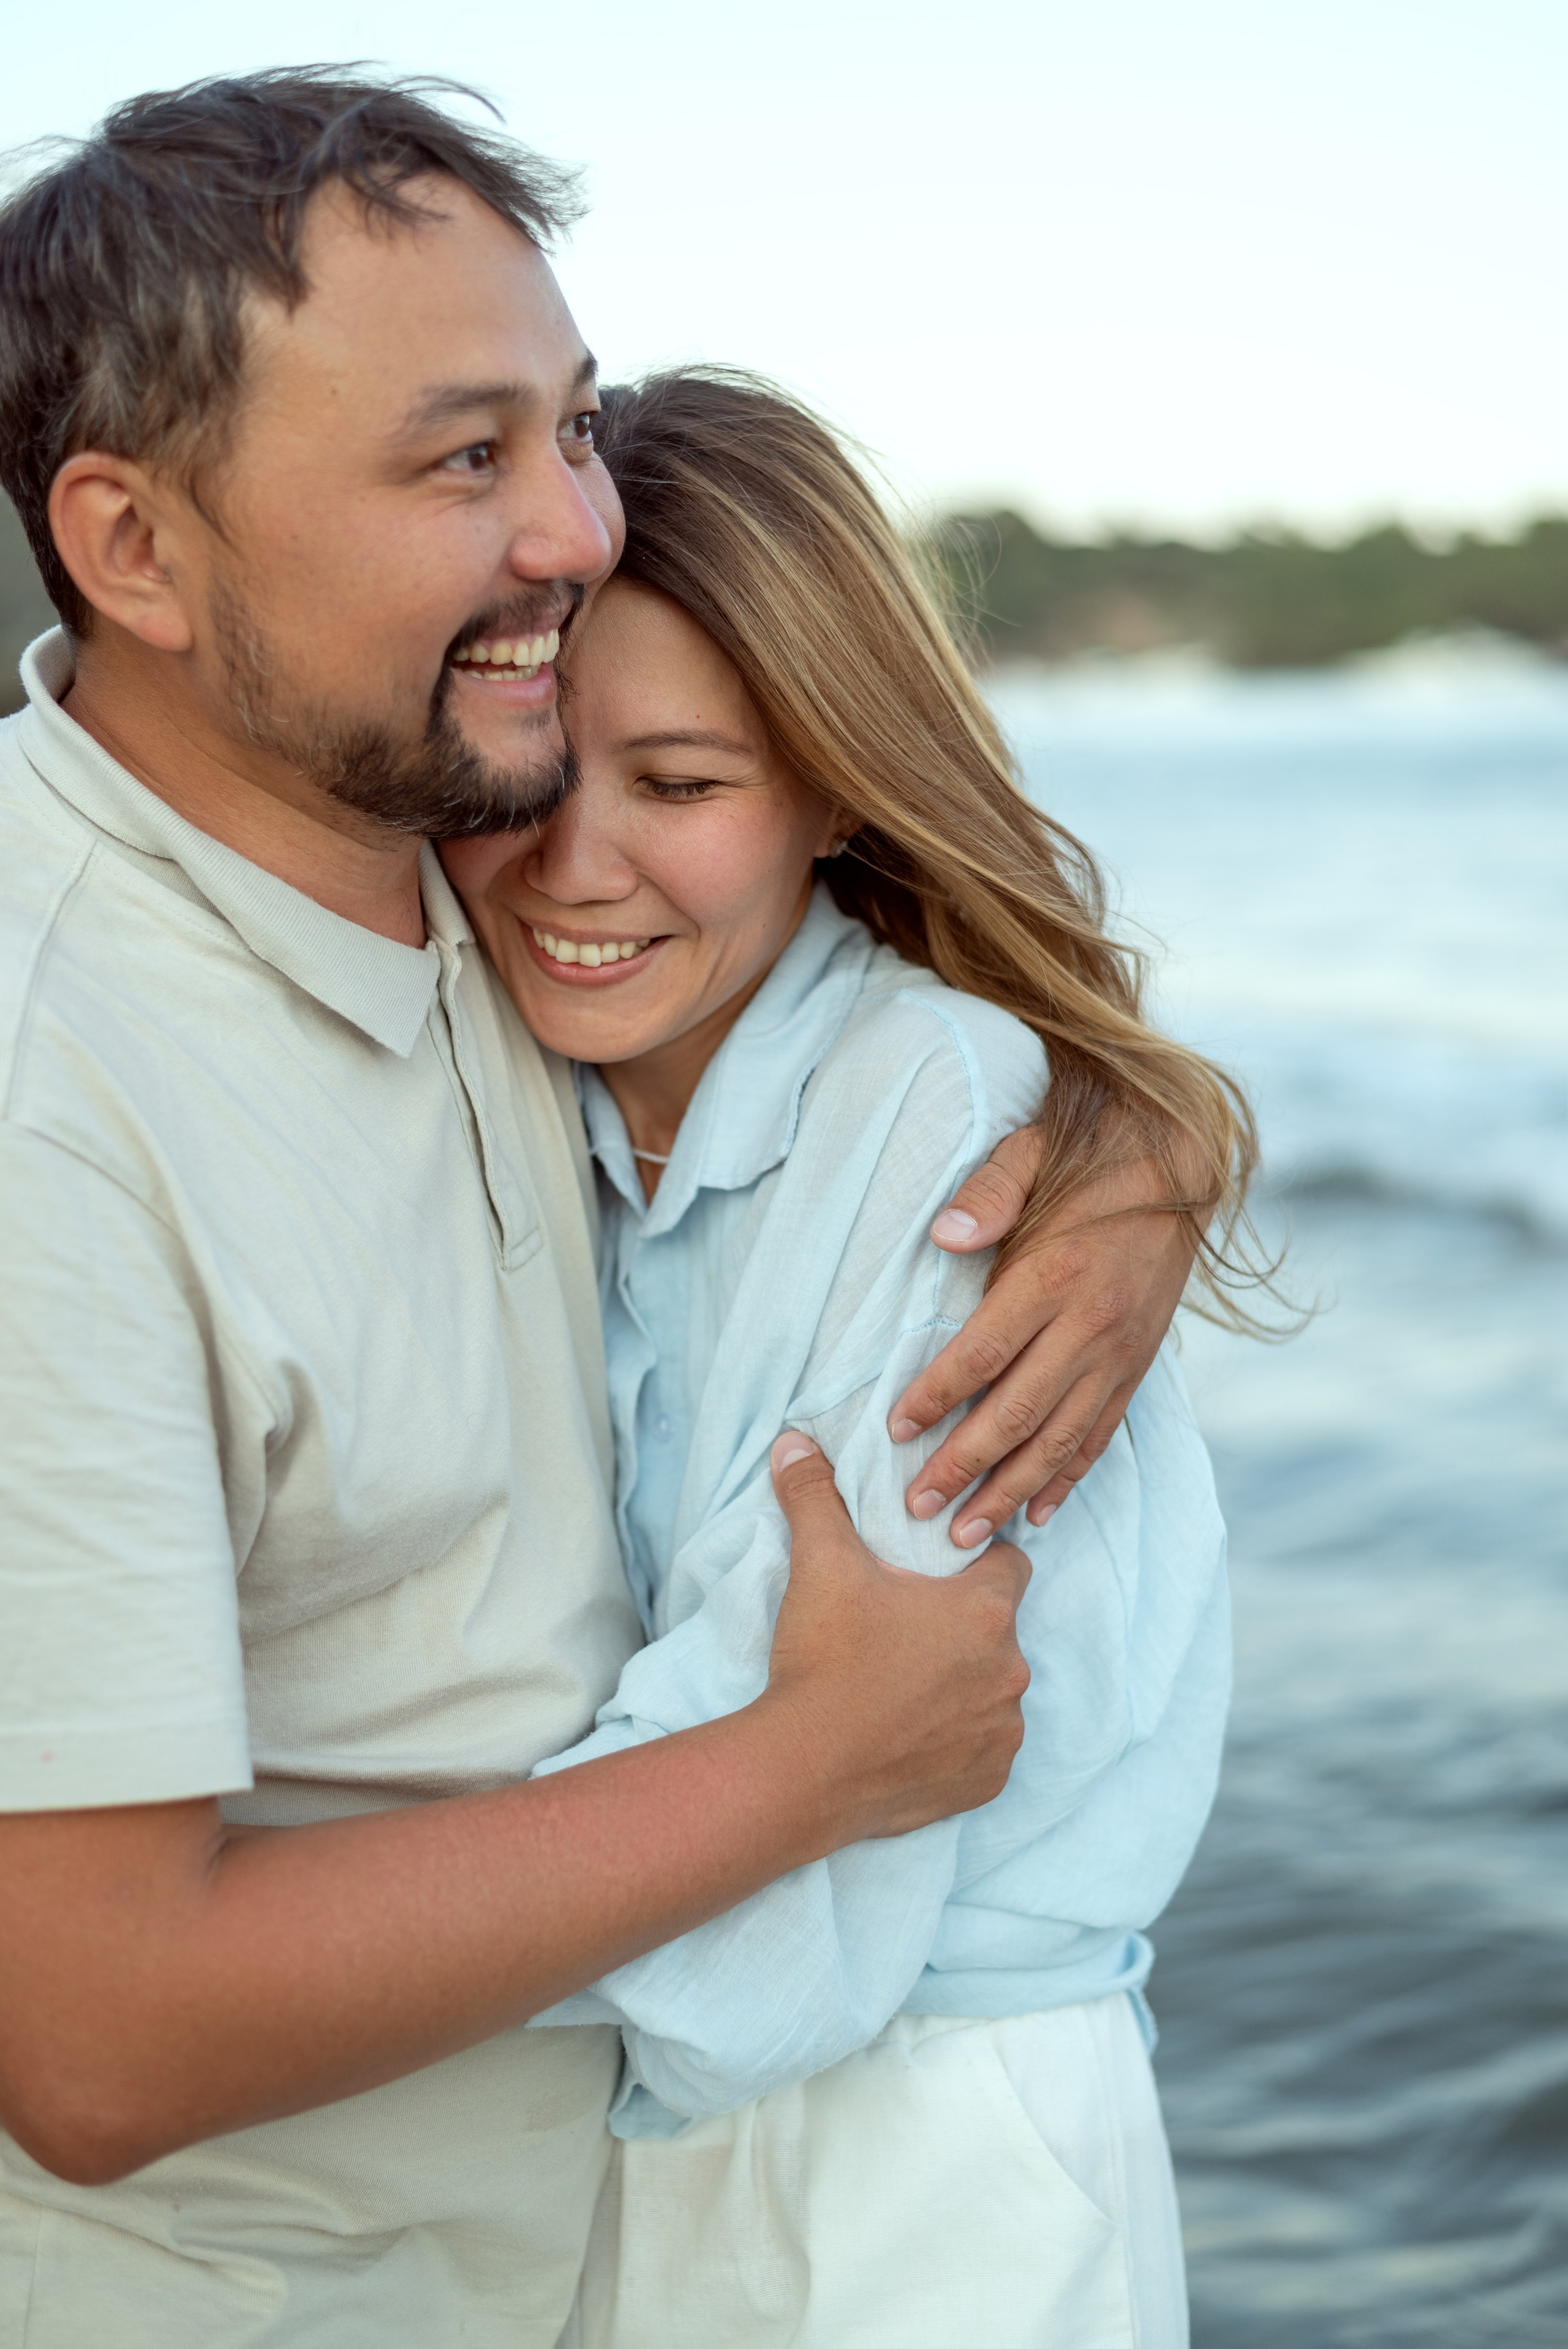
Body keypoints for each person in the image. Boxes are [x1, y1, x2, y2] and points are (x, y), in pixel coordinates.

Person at [0, 73, 1208, 2347]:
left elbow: (841, 953)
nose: (572, 525)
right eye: (468, 458)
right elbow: (94, 2038)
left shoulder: (424, 850)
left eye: (570, 429)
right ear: (135, 548)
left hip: (658, 2234)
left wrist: (1139, 1141)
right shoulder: (51, 1090)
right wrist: (808, 1763)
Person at [444, 369, 1254, 2348]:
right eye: (533, 770)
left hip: (928, 2132)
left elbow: (835, 1712)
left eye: (685, 783)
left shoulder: (943, 1114)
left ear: (830, 783)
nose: (576, 861)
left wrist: (263, 1970)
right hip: (660, 2083)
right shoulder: (533, 1078)